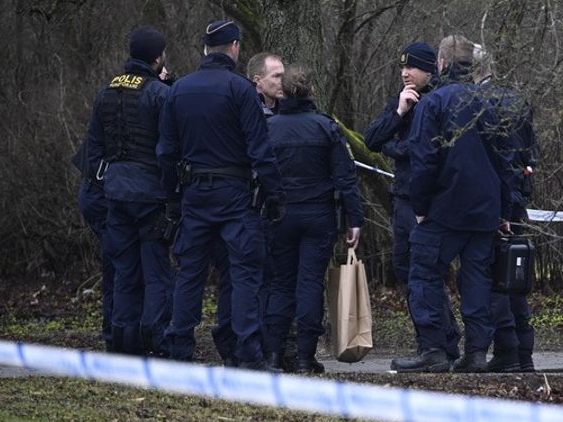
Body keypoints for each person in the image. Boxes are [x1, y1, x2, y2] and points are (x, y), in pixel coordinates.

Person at [158, 19, 285, 369]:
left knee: (190, 273)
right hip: (235, 195)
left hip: (194, 194)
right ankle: (247, 350)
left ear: (205, 49)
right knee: (243, 272)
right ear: (234, 48)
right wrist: (274, 195)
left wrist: (172, 199)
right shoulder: (241, 89)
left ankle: (179, 346)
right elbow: (260, 149)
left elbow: (166, 151)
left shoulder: (179, 90)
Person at [390, 35, 514, 373]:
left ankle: (433, 347)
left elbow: (424, 158)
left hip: (443, 210)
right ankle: (476, 351)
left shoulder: (434, 104)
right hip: (484, 210)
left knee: (424, 273)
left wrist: (420, 204)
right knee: (476, 279)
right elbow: (506, 161)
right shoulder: (490, 104)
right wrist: (504, 209)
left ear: (441, 64)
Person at [263, 66, 364, 373]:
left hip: (280, 215)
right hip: (319, 214)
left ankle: (273, 356)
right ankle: (306, 357)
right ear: (309, 91)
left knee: (280, 285)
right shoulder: (325, 127)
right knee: (309, 284)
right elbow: (346, 176)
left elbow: (261, 173)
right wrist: (354, 218)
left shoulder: (269, 128)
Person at [364, 42, 461, 362]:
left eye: (412, 67)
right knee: (408, 270)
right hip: (403, 198)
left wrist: (397, 147)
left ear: (431, 69)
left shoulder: (441, 99)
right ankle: (441, 340)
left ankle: (435, 345)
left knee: (425, 271)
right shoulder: (405, 98)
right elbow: (372, 139)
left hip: (427, 203)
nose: (405, 72)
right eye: (402, 67)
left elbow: (425, 151)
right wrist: (399, 113)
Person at [83, 26, 174, 355]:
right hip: (151, 195)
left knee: (124, 273)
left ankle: (123, 346)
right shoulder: (158, 94)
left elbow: (93, 150)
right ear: (157, 57)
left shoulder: (106, 92)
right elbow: (168, 149)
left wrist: (105, 181)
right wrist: (172, 191)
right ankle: (157, 342)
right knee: (156, 274)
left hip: (115, 195)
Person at [471, 43, 540, 373]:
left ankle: (509, 347)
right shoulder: (517, 100)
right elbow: (530, 153)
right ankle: (522, 350)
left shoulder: (477, 104)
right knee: (516, 274)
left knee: (495, 276)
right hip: (517, 197)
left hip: (496, 201)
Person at [72, 143, 116, 352]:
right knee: (119, 269)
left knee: (116, 268)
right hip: (104, 193)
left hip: (98, 191)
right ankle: (118, 335)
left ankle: (117, 335)